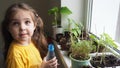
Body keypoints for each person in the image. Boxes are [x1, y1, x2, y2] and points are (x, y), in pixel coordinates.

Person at [1, 3, 57, 68]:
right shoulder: (15, 54)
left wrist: (47, 64)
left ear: (34, 25)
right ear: (9, 28)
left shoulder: (31, 42)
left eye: (27, 22)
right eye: (16, 23)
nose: (22, 27)